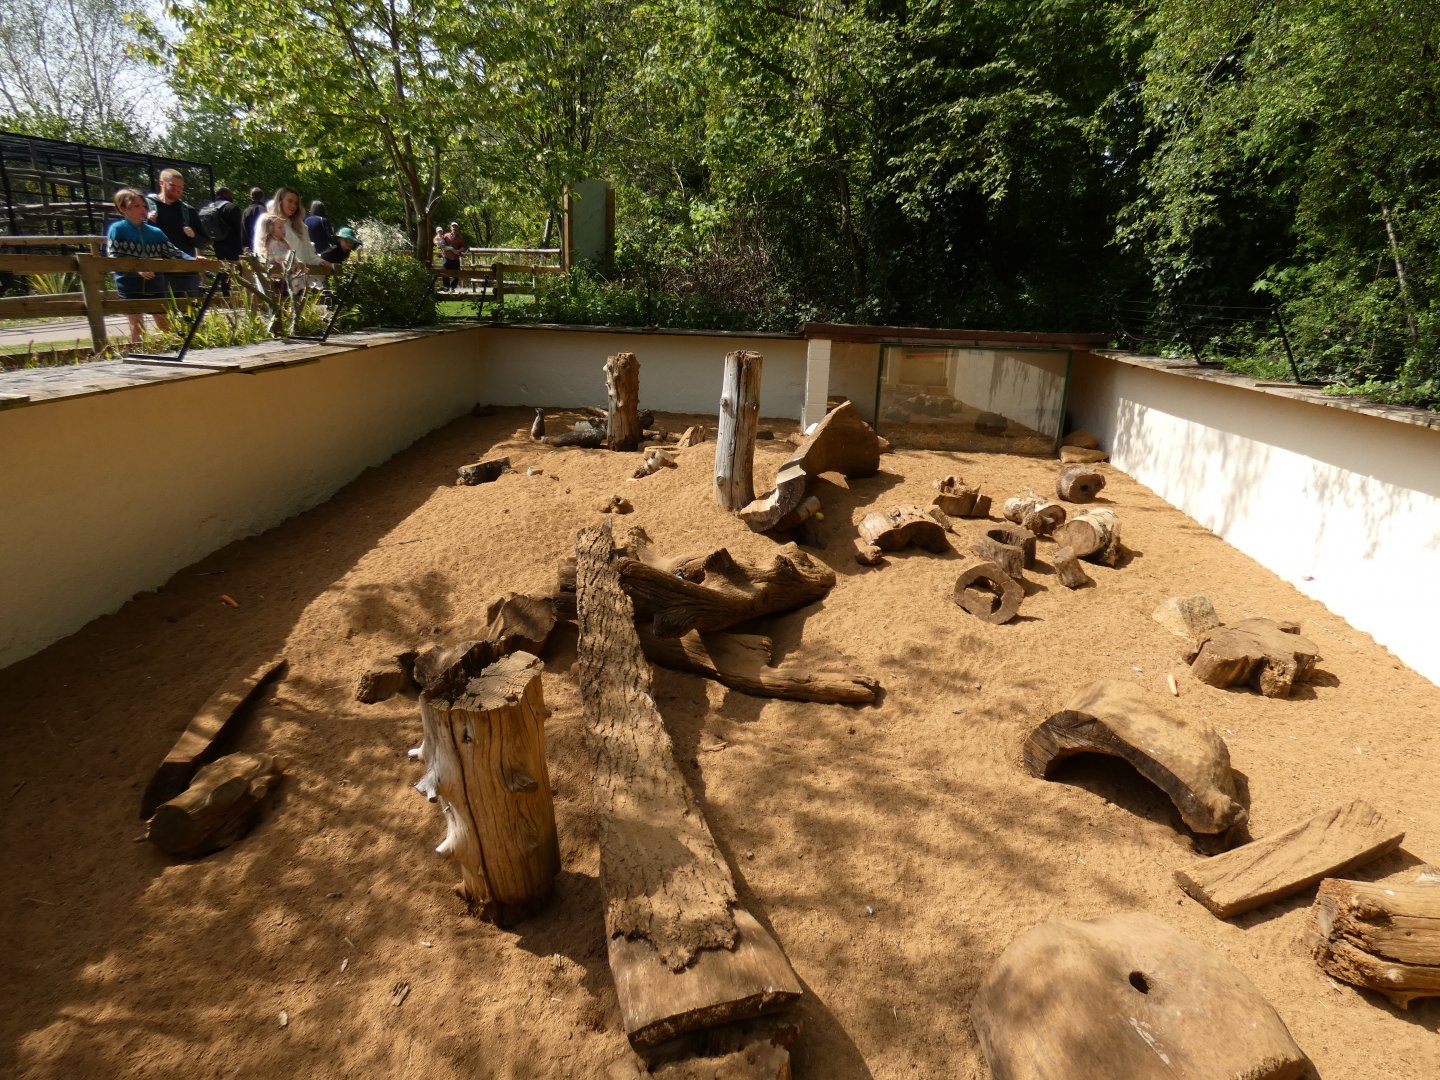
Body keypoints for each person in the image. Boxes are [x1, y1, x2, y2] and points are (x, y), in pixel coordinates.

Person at [106, 187, 195, 345]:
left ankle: (170, 352)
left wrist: (194, 260)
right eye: (136, 206)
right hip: (130, 286)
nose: (142, 209)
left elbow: (174, 252)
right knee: (136, 327)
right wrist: (137, 269)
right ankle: (138, 357)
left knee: (164, 324)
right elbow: (114, 257)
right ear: (123, 209)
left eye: (144, 206)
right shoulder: (117, 230)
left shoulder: (155, 232)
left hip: (155, 284)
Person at [254, 186, 330, 293]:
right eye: (290, 201)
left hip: (299, 282)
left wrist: (320, 262)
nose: (293, 205)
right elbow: (261, 249)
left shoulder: (302, 227)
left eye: (296, 203)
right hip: (277, 281)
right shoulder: (267, 221)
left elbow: (309, 254)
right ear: (280, 201)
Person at [146, 168, 205, 298]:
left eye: (180, 187)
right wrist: (146, 220)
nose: (177, 189)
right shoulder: (145, 206)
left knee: (191, 314)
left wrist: (193, 235)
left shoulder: (188, 211)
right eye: (173, 185)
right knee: (160, 312)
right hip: (158, 271)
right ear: (162, 183)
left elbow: (203, 242)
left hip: (186, 272)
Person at [240, 187, 268, 254]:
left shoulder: (246, 211)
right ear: (262, 197)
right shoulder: (263, 210)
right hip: (260, 248)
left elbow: (243, 231)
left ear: (251, 197)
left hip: (249, 248)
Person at [441, 221, 467, 288]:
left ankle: (453, 287)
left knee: (456, 274)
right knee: (445, 273)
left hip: (455, 258)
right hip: (447, 256)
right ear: (451, 227)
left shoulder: (460, 237)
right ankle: (446, 287)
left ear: (457, 228)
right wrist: (452, 249)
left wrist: (458, 250)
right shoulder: (446, 236)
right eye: (453, 226)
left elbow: (463, 247)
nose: (454, 228)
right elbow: (442, 245)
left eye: (456, 227)